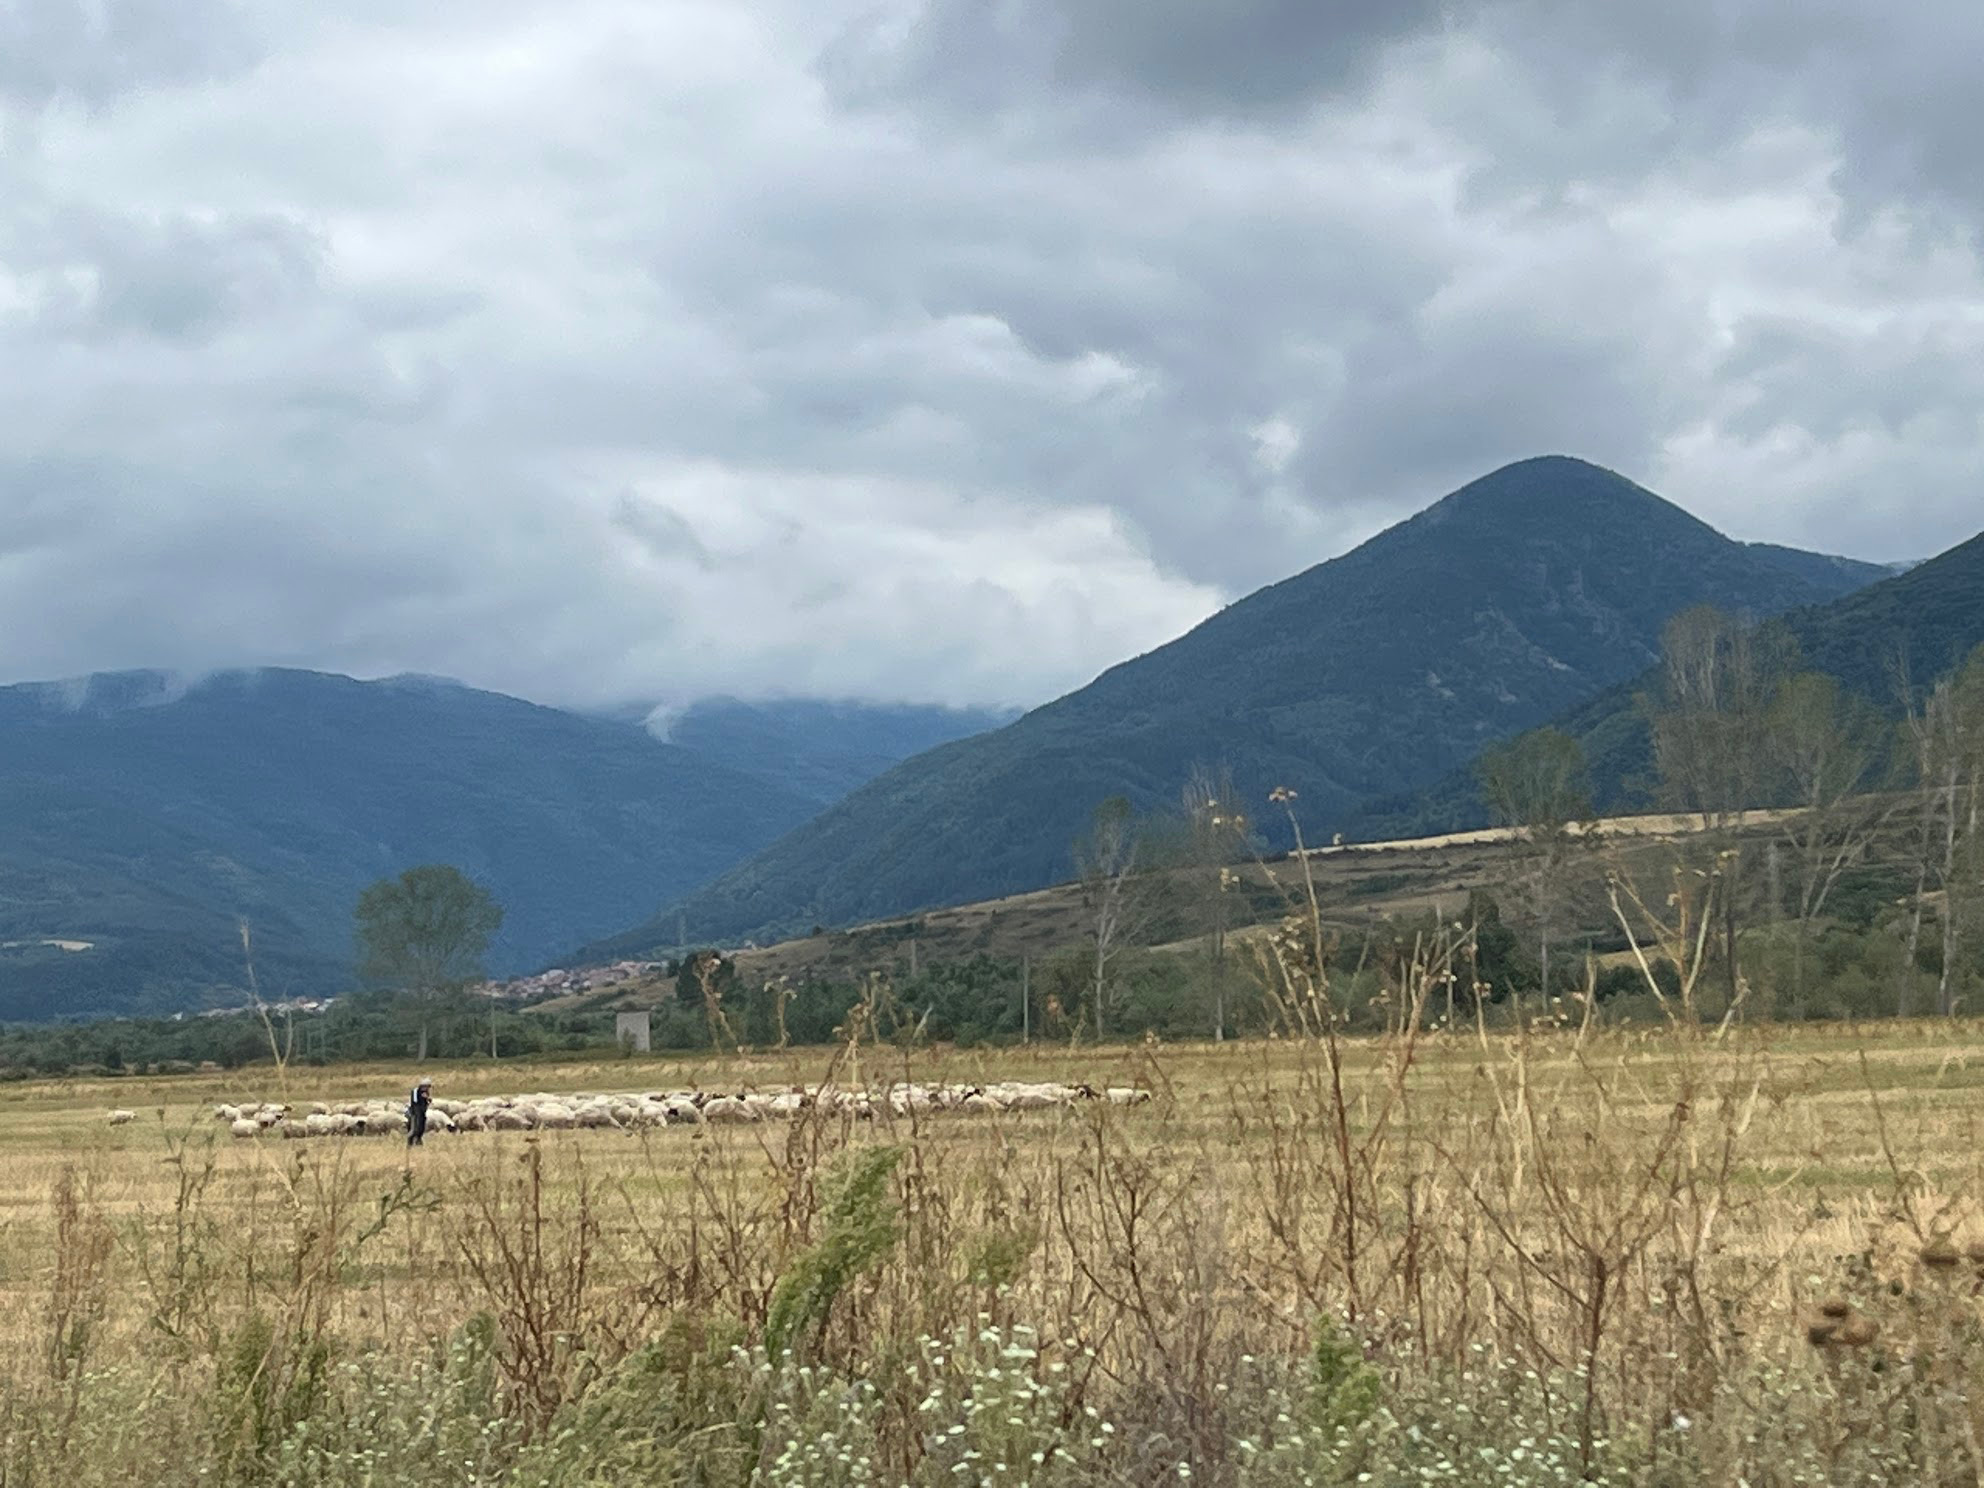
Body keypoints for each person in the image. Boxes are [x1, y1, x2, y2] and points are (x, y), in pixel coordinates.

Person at [407, 1076, 432, 1147]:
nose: (427, 1089)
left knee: (421, 1129)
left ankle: (418, 1142)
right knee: (415, 1129)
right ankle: (410, 1143)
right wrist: (422, 1097)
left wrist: (427, 1099)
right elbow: (415, 1102)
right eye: (427, 1087)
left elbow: (427, 1102)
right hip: (415, 1113)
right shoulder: (415, 1091)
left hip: (422, 1113)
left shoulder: (426, 1093)